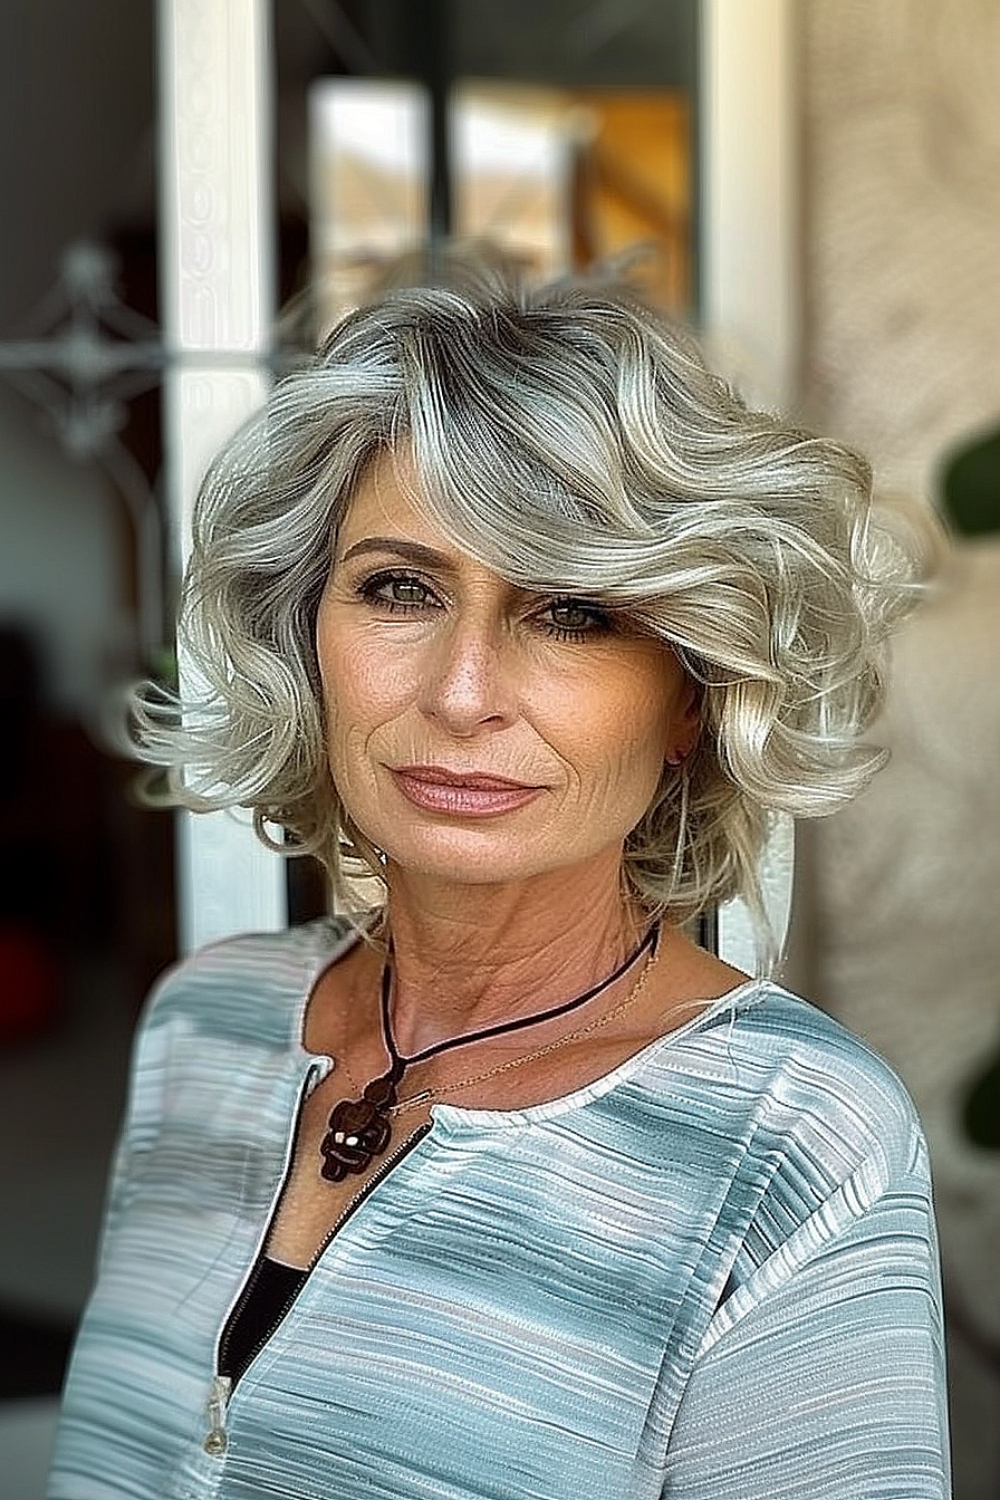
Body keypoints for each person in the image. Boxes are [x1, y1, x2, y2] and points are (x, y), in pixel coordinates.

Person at [47, 258, 950, 1500]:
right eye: (400, 589)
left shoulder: (789, 1136)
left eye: (573, 611)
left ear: (693, 694)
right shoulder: (205, 1022)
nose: (462, 692)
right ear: (307, 638)